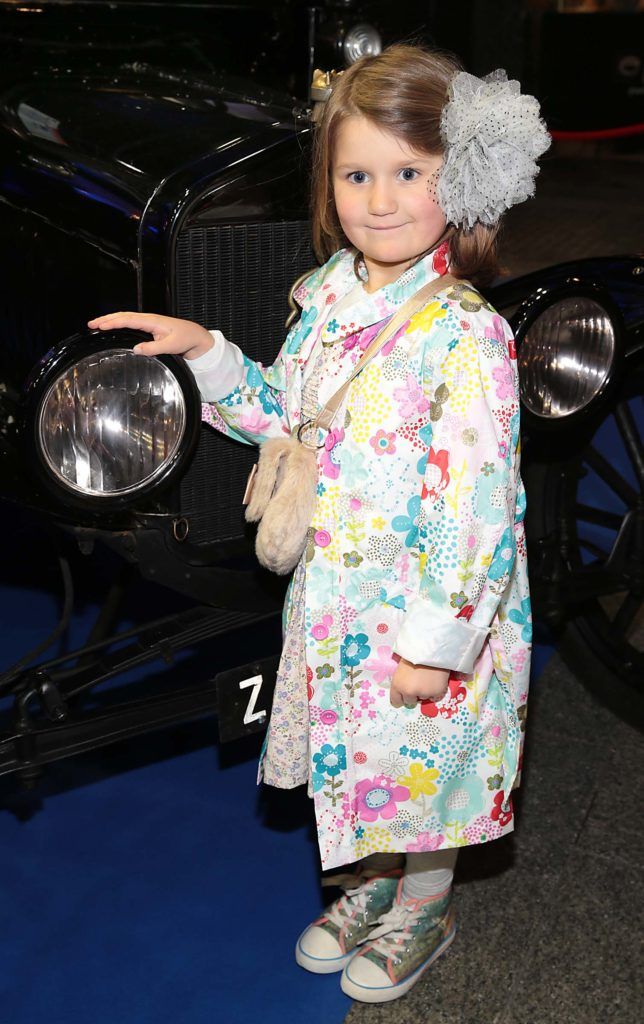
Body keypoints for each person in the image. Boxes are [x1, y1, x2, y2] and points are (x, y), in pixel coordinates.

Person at [88, 44, 550, 1004]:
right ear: (328, 182)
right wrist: (210, 357)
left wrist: (440, 642)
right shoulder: (324, 294)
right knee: (361, 763)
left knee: (427, 769)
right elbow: (287, 423)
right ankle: (367, 881)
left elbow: (479, 508)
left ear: (457, 180)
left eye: (409, 173)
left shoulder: (466, 334)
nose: (379, 200)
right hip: (337, 596)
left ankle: (424, 900)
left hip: (425, 609)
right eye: (356, 173)